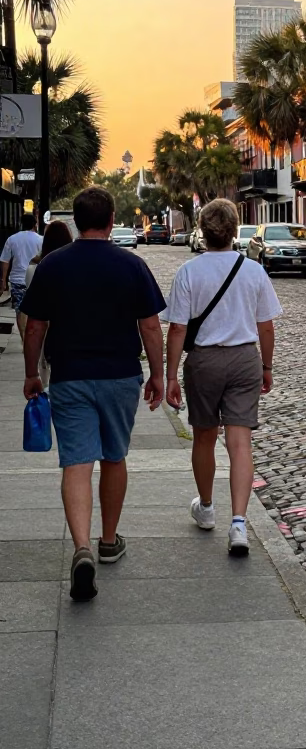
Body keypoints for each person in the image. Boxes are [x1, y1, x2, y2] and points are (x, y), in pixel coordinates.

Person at [21, 187, 165, 602]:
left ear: (79, 221)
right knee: (114, 456)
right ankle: (107, 540)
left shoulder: (53, 265)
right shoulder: (132, 265)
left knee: (77, 463)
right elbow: (151, 327)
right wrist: (157, 374)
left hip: (69, 376)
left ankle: (80, 546)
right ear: (111, 218)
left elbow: (34, 327)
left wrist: (33, 374)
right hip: (120, 375)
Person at [162, 198, 282, 555]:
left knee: (203, 437)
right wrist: (266, 367)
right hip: (245, 358)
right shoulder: (253, 271)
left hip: (204, 361)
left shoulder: (189, 273)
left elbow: (178, 330)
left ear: (201, 231)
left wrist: (170, 376)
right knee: (240, 442)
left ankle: (208, 507)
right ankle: (240, 523)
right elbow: (266, 328)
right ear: (234, 232)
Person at [23, 220, 74, 387]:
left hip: (45, 322)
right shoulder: (74, 265)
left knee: (45, 364)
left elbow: (33, 311)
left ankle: (46, 389)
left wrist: (31, 375)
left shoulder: (36, 267)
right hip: (68, 326)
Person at [1, 214, 42, 341]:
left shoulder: (12, 239)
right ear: (35, 224)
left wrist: (3, 281)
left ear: (21, 224)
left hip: (17, 280)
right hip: (35, 280)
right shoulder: (41, 239)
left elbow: (5, 261)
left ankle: (24, 339)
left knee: (20, 310)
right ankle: (32, 338)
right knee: (35, 311)